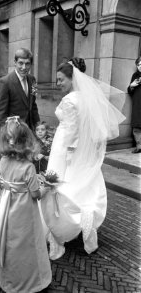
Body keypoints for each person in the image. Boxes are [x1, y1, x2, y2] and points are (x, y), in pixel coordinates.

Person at [40, 57, 126, 260]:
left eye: (61, 79)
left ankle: (59, 235)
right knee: (84, 191)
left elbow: (71, 131)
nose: (58, 83)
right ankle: (88, 233)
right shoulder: (87, 98)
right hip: (80, 153)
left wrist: (67, 155)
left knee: (60, 190)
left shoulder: (70, 100)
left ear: (72, 78)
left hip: (65, 151)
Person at [0, 116, 52, 293]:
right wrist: (46, 188)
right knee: (28, 243)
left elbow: (5, 183)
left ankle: (12, 280)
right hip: (25, 211)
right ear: (27, 141)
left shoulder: (3, 161)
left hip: (7, 207)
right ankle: (32, 282)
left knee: (11, 242)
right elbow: (35, 194)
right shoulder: (28, 167)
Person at [0, 48, 40, 131]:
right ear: (15, 63)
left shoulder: (32, 79)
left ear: (31, 64)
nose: (24, 67)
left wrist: (38, 125)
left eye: (27, 64)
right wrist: (5, 135)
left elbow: (33, 105)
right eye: (21, 63)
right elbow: (0, 114)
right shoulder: (4, 82)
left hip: (30, 130)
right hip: (14, 132)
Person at [127, 56, 141, 153]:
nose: (140, 66)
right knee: (137, 125)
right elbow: (129, 91)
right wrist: (132, 86)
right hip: (137, 103)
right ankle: (139, 146)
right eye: (139, 64)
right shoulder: (135, 75)